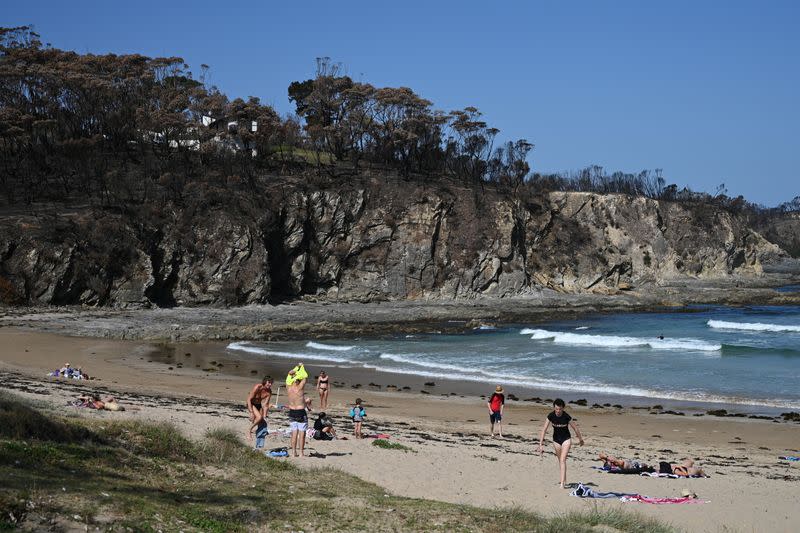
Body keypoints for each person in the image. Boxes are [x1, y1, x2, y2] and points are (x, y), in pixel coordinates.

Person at [537, 398, 584, 488]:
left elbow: (576, 428)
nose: (558, 411)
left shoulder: (566, 416)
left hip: (566, 439)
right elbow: (544, 429)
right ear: (554, 408)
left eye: (560, 409)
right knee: (560, 461)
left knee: (562, 460)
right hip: (556, 440)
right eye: (556, 409)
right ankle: (564, 480)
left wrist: (581, 440)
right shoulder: (551, 416)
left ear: (563, 408)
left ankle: (562, 484)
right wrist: (540, 444)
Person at [286, 363, 309, 457]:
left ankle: (293, 452)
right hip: (300, 412)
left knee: (294, 433)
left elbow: (289, 376)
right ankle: (301, 453)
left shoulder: (288, 387)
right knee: (302, 434)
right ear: (298, 380)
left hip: (292, 412)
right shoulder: (300, 387)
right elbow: (305, 376)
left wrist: (294, 370)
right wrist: (302, 366)